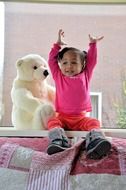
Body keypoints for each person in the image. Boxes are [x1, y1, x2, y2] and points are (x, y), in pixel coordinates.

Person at [47, 29, 111, 159]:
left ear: (82, 65)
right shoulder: (58, 75)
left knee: (94, 122)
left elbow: (92, 60)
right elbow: (51, 61)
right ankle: (59, 141)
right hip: (63, 117)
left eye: (74, 62)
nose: (69, 66)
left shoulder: (86, 75)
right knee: (52, 122)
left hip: (81, 118)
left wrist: (93, 45)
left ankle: (95, 142)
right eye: (64, 63)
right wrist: (57, 46)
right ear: (60, 65)